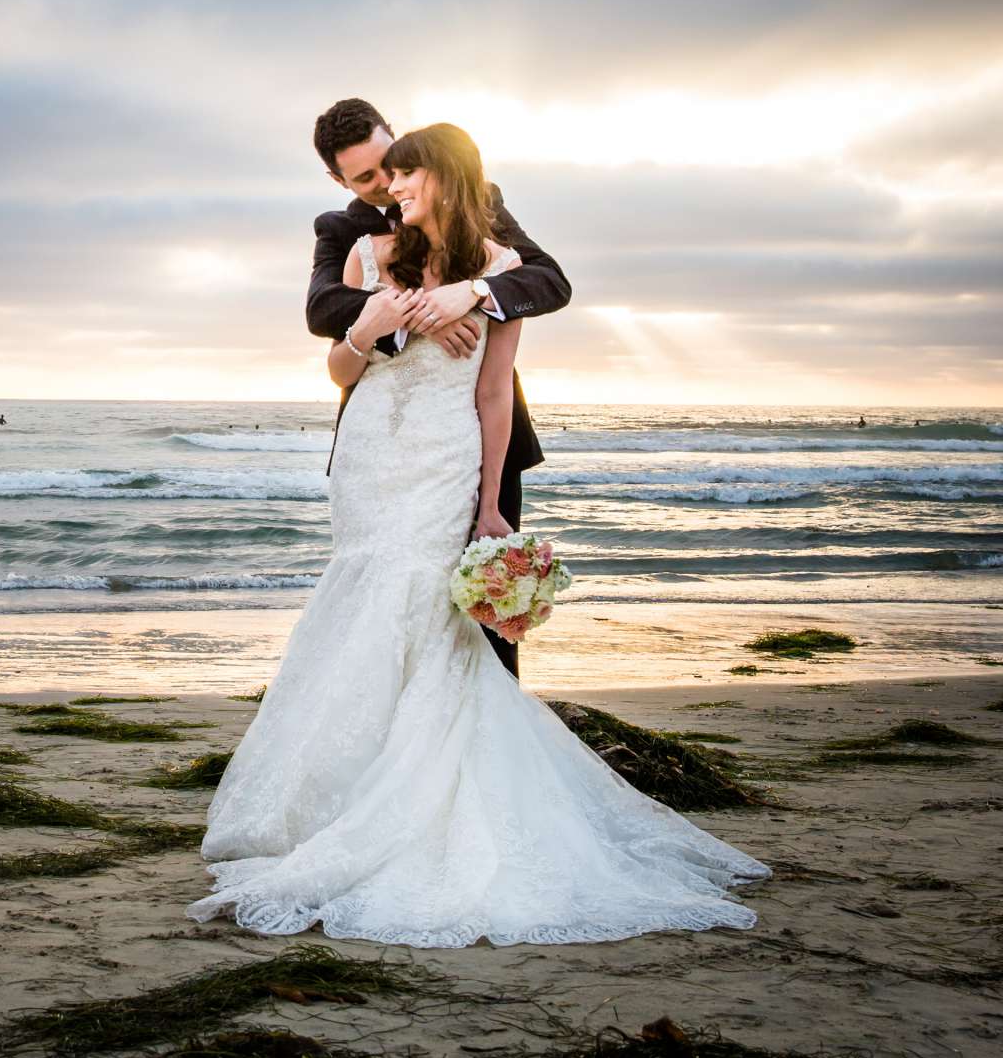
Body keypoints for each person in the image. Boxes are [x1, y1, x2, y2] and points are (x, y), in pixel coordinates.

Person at [189, 121, 768, 948]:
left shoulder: (499, 265)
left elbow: (497, 390)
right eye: (373, 179)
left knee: (434, 616)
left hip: (448, 459)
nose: (387, 189)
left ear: (443, 178)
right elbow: (338, 361)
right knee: (364, 605)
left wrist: (492, 500)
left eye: (401, 175)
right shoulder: (364, 250)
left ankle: (430, 797)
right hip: (372, 460)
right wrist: (376, 321)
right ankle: (340, 791)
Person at [304, 98, 568, 677]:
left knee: (482, 605)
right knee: (377, 590)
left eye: (392, 166)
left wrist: (472, 293)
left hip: (467, 434)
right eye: (367, 178)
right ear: (338, 179)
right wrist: (419, 312)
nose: (386, 185)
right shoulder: (346, 231)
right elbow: (323, 309)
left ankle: (479, 725)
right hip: (381, 441)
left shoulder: (481, 201)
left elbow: (545, 279)